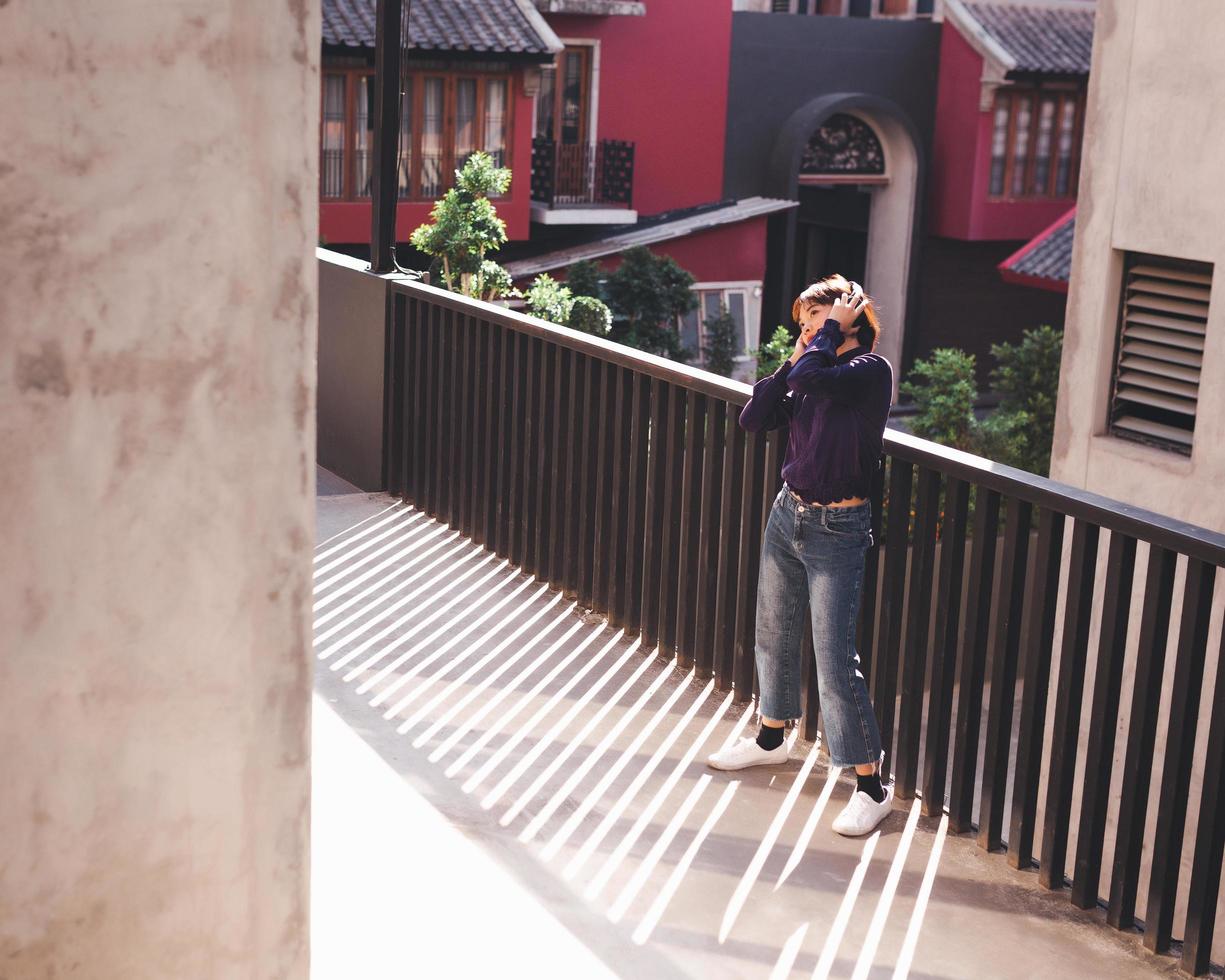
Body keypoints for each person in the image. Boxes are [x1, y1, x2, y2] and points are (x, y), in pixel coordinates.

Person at [707, 274, 894, 837]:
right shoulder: (811, 373)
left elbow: (819, 372)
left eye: (815, 320)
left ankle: (871, 786)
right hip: (789, 513)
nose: (807, 330)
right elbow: (754, 417)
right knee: (773, 632)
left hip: (838, 527)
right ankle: (771, 738)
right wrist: (793, 359)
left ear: (847, 321)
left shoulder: (867, 373)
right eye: (805, 323)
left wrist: (827, 334)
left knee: (835, 660)